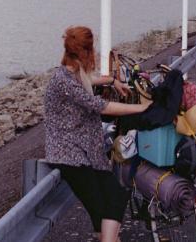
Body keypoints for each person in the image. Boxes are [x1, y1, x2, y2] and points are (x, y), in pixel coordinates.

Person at [44, 26, 150, 242]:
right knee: (107, 203)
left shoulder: (72, 73)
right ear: (86, 52)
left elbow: (88, 80)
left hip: (87, 153)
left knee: (112, 198)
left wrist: (112, 81)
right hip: (69, 155)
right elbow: (100, 106)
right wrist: (141, 108)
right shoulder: (63, 80)